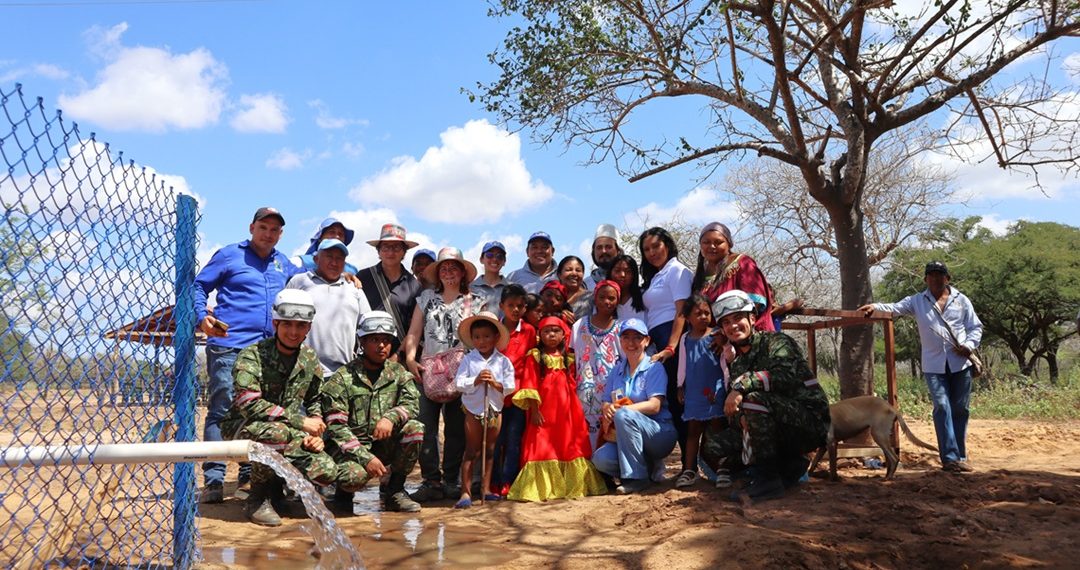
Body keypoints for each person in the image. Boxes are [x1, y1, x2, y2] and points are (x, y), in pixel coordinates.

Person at [194, 206, 303, 503]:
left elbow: (313, 270)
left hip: (268, 353)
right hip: (231, 344)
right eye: (263, 227)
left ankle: (246, 477)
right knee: (223, 407)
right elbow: (199, 286)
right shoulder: (230, 255)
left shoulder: (283, 264)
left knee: (256, 411)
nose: (268, 234)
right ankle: (214, 481)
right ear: (251, 228)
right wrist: (201, 316)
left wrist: (348, 272)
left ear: (280, 234)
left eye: (274, 230)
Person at [219, 289, 336, 526]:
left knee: (326, 471)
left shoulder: (310, 358)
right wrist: (300, 423)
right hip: (242, 427)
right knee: (276, 434)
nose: (294, 332)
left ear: (308, 328)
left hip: (287, 428)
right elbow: (248, 403)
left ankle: (276, 491)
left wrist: (315, 429)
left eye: (300, 326)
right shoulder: (252, 355)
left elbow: (314, 399)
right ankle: (257, 499)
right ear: (275, 323)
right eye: (287, 325)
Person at [703, 290, 830, 502]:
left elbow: (784, 376)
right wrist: (741, 419)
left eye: (738, 318)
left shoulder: (777, 342)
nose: (733, 326)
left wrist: (740, 386)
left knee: (753, 399)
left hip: (809, 423)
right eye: (726, 322)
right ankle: (788, 466)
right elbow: (732, 408)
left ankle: (768, 479)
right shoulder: (738, 361)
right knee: (712, 446)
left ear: (752, 318)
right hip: (772, 423)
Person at [858, 261, 983, 473]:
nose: (935, 279)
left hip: (960, 364)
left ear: (947, 278)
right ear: (925, 279)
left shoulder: (961, 300)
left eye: (940, 275)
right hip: (933, 365)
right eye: (931, 275)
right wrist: (875, 307)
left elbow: (975, 327)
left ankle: (960, 454)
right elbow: (895, 308)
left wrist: (968, 346)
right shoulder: (917, 301)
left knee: (960, 409)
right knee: (942, 407)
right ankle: (950, 458)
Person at [403, 247, 487, 502]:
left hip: (463, 371)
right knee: (425, 425)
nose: (449, 272)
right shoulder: (426, 298)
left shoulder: (477, 300)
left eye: (454, 267)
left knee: (456, 429)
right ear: (438, 273)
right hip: (429, 369)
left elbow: (483, 335)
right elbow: (414, 332)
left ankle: (451, 480)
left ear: (463, 273)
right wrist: (409, 358)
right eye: (444, 268)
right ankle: (431, 480)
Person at [320, 311, 424, 513]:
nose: (381, 346)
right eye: (375, 340)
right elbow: (336, 427)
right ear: (362, 341)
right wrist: (365, 458)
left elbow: (412, 404)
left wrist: (390, 417)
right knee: (352, 477)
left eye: (386, 340)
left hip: (383, 445)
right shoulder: (343, 378)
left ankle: (394, 491)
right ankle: (343, 495)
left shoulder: (398, 373)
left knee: (415, 429)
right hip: (350, 449)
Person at [508, 316, 607, 501]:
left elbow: (573, 384)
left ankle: (570, 485)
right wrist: (535, 411)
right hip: (543, 410)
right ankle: (539, 489)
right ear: (539, 335)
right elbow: (529, 383)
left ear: (563, 335)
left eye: (555, 331)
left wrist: (576, 412)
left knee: (568, 444)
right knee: (541, 444)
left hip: (566, 411)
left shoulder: (568, 358)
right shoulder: (535, 356)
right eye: (546, 331)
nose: (551, 334)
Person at [591, 318, 678, 494]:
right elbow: (606, 400)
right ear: (620, 341)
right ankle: (647, 466)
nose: (631, 343)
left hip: (659, 434)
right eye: (626, 337)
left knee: (624, 415)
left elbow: (654, 406)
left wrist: (621, 410)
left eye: (637, 337)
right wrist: (607, 407)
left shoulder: (654, 368)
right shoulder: (616, 370)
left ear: (646, 341)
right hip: (627, 435)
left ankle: (636, 478)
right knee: (600, 459)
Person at [638, 227, 692, 466]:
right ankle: (688, 463)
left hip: (673, 339)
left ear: (667, 245)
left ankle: (692, 463)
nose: (652, 253)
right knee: (671, 397)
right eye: (646, 249)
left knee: (680, 399)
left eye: (656, 246)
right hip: (657, 339)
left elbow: (682, 310)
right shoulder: (656, 276)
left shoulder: (678, 271)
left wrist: (671, 346)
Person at [453, 311, 515, 508]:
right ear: (472, 339)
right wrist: (476, 380)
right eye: (477, 337)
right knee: (471, 451)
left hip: (495, 409)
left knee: (490, 450)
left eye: (487, 336)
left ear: (496, 337)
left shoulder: (503, 361)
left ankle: (486, 490)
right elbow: (459, 383)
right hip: (474, 410)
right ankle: (465, 492)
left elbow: (510, 385)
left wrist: (496, 384)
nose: (482, 341)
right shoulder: (469, 360)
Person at [285, 239, 371, 377]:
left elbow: (368, 327)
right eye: (329, 256)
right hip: (301, 371)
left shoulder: (354, 288)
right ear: (316, 259)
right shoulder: (299, 281)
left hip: (344, 375)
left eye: (339, 258)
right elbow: (281, 320)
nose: (334, 262)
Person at [674, 295, 726, 489]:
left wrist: (724, 388)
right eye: (698, 313)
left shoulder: (717, 336)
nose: (703, 316)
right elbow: (683, 364)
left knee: (717, 429)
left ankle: (722, 469)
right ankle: (689, 470)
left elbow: (724, 364)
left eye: (707, 313)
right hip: (694, 391)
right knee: (693, 431)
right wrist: (680, 385)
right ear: (688, 318)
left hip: (715, 389)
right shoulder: (685, 339)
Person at [490, 284, 537, 497]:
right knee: (495, 439)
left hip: (518, 394)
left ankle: (509, 481)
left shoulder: (529, 331)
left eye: (520, 306)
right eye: (511, 305)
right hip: (495, 394)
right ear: (502, 306)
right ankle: (492, 481)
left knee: (513, 438)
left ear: (525, 308)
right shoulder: (494, 329)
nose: (515, 310)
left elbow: (529, 364)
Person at [692, 222, 775, 331]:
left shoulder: (743, 264)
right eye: (706, 242)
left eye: (718, 242)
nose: (712, 246)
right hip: (710, 340)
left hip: (743, 335)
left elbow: (756, 303)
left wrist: (727, 330)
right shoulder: (699, 277)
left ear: (729, 244)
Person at [570, 280, 623, 449]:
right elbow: (572, 355)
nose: (607, 302)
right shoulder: (579, 325)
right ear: (595, 298)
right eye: (602, 297)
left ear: (617, 301)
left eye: (611, 298)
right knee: (585, 431)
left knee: (609, 429)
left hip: (610, 389)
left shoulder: (620, 329)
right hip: (585, 388)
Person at [357, 223, 424, 355]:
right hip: (367, 356)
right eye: (385, 247)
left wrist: (398, 355)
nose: (390, 252)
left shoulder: (414, 286)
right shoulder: (363, 277)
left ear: (404, 252)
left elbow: (416, 328)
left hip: (399, 358)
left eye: (396, 247)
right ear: (378, 251)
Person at [294, 217, 358, 275]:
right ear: (320, 238)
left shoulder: (352, 270)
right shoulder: (301, 262)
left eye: (340, 234)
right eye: (331, 232)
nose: (337, 236)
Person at [470, 241, 509, 312]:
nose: (494, 259)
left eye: (499, 256)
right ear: (481, 259)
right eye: (489, 255)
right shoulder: (470, 288)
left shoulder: (511, 288)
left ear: (504, 261)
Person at [607, 254, 647, 324]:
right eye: (617, 270)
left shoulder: (645, 295)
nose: (622, 275)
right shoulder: (604, 300)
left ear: (634, 275)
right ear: (610, 273)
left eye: (628, 271)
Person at [583, 223, 622, 289]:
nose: (604, 251)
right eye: (599, 248)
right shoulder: (585, 286)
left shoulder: (627, 281)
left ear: (618, 250)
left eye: (608, 247)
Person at [557, 255, 592, 321]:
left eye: (578, 270)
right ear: (559, 274)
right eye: (568, 270)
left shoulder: (592, 297)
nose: (574, 273)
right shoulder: (551, 297)